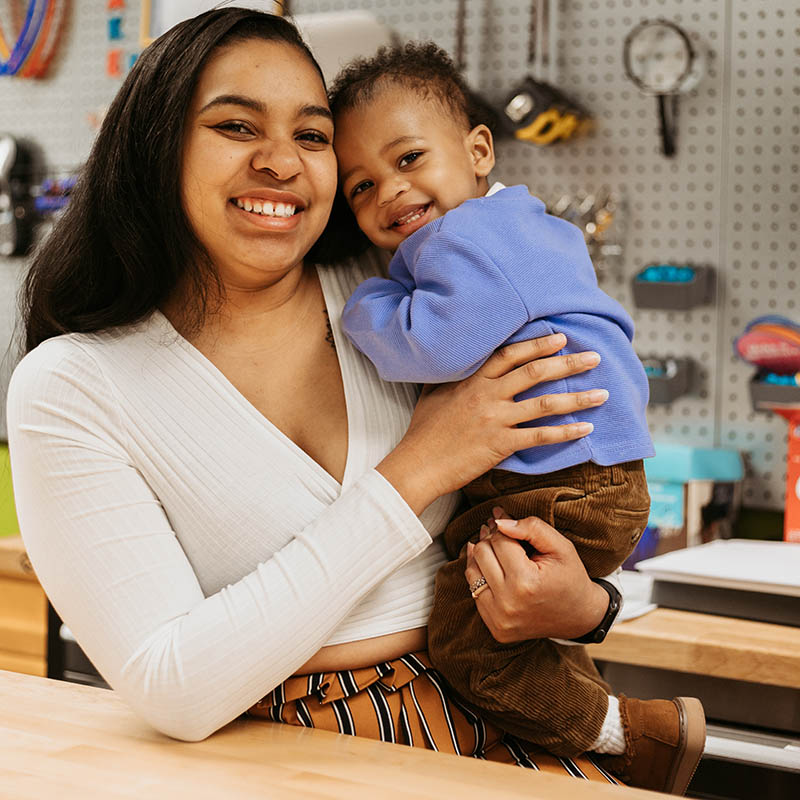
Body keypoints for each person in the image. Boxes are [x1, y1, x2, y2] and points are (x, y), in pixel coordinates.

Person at [8, 7, 624, 786]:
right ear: (157, 146)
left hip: (511, 707)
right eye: (237, 126)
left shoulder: (404, 305)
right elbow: (176, 686)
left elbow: (564, 481)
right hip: (292, 758)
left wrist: (590, 607)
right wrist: (417, 469)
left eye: (311, 135)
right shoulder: (72, 387)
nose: (281, 162)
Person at [329, 42, 705, 795]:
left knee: (470, 644)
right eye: (362, 185)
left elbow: (433, 342)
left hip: (562, 484)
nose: (390, 193)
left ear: (478, 151)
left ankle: (634, 735)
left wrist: (363, 304)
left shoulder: (473, 240)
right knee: (514, 626)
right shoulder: (518, 227)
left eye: (409, 159)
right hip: (580, 480)